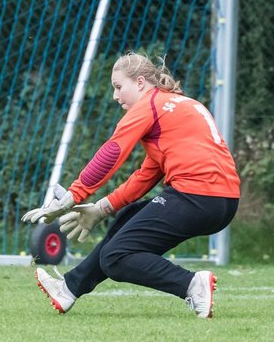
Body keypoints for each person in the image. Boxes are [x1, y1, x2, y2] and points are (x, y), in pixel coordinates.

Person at [21, 52, 240, 317]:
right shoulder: (176, 105)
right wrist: (102, 208)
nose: (115, 96)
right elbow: (146, 174)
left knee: (115, 257)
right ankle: (69, 288)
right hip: (223, 202)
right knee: (127, 218)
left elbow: (113, 150)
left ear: (139, 83)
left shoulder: (150, 105)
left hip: (196, 196)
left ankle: (192, 285)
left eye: (117, 87)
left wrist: (72, 196)